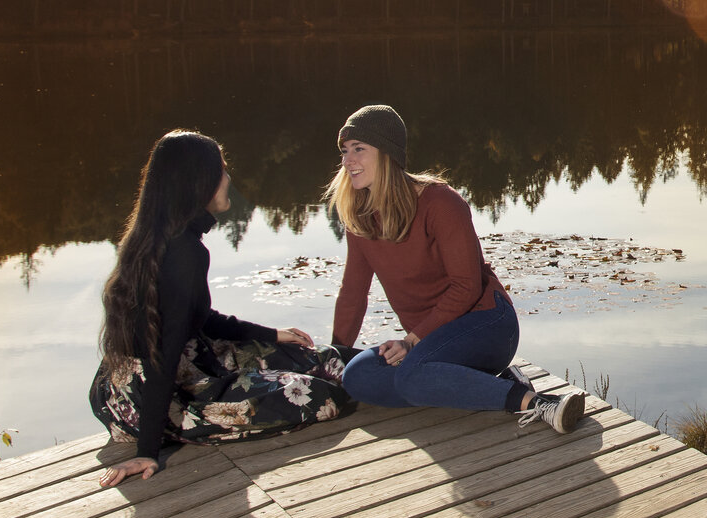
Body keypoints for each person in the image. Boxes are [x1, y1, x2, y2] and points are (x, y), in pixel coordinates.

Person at [91, 130, 354, 486]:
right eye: (222, 171)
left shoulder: (156, 237)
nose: (228, 179)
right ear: (198, 183)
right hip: (167, 395)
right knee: (322, 395)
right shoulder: (182, 253)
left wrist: (274, 335)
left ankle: (397, 360)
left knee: (324, 358)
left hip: (149, 380)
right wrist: (147, 452)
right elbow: (162, 356)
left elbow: (200, 319)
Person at [327, 104, 584, 432]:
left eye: (359, 149)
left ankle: (536, 403)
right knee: (357, 376)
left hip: (486, 324)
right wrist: (333, 357)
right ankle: (471, 383)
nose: (348, 160)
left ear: (388, 153)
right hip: (428, 343)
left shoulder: (440, 203)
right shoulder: (360, 219)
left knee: (411, 375)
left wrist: (412, 340)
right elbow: (353, 294)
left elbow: (466, 287)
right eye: (345, 151)